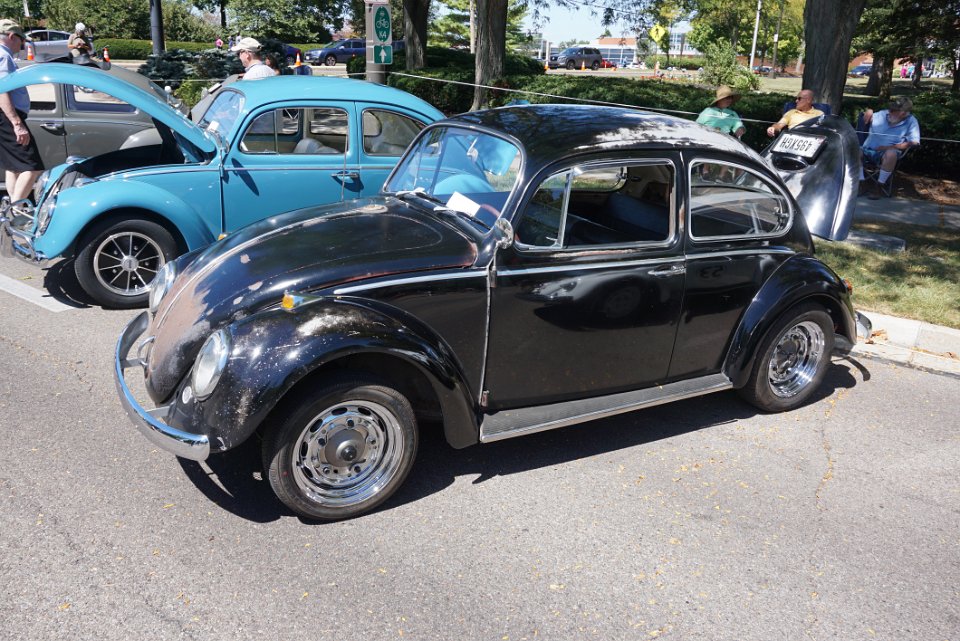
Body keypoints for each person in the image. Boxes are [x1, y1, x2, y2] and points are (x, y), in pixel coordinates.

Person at [0, 20, 43, 202]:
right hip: (8, 117)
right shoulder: (4, 56)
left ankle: (12, 208)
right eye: (21, 39)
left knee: (14, 167)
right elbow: (2, 90)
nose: (22, 44)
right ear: (11, 36)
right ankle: (15, 210)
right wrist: (16, 123)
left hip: (5, 117)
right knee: (33, 167)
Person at [859, 96, 920, 199]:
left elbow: (914, 142)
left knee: (891, 153)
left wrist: (888, 147)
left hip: (887, 153)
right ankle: (861, 183)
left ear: (903, 113)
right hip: (867, 149)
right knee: (853, 150)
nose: (890, 111)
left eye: (894, 110)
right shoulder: (882, 114)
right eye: (891, 108)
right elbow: (866, 117)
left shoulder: (911, 121)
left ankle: (879, 187)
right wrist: (868, 112)